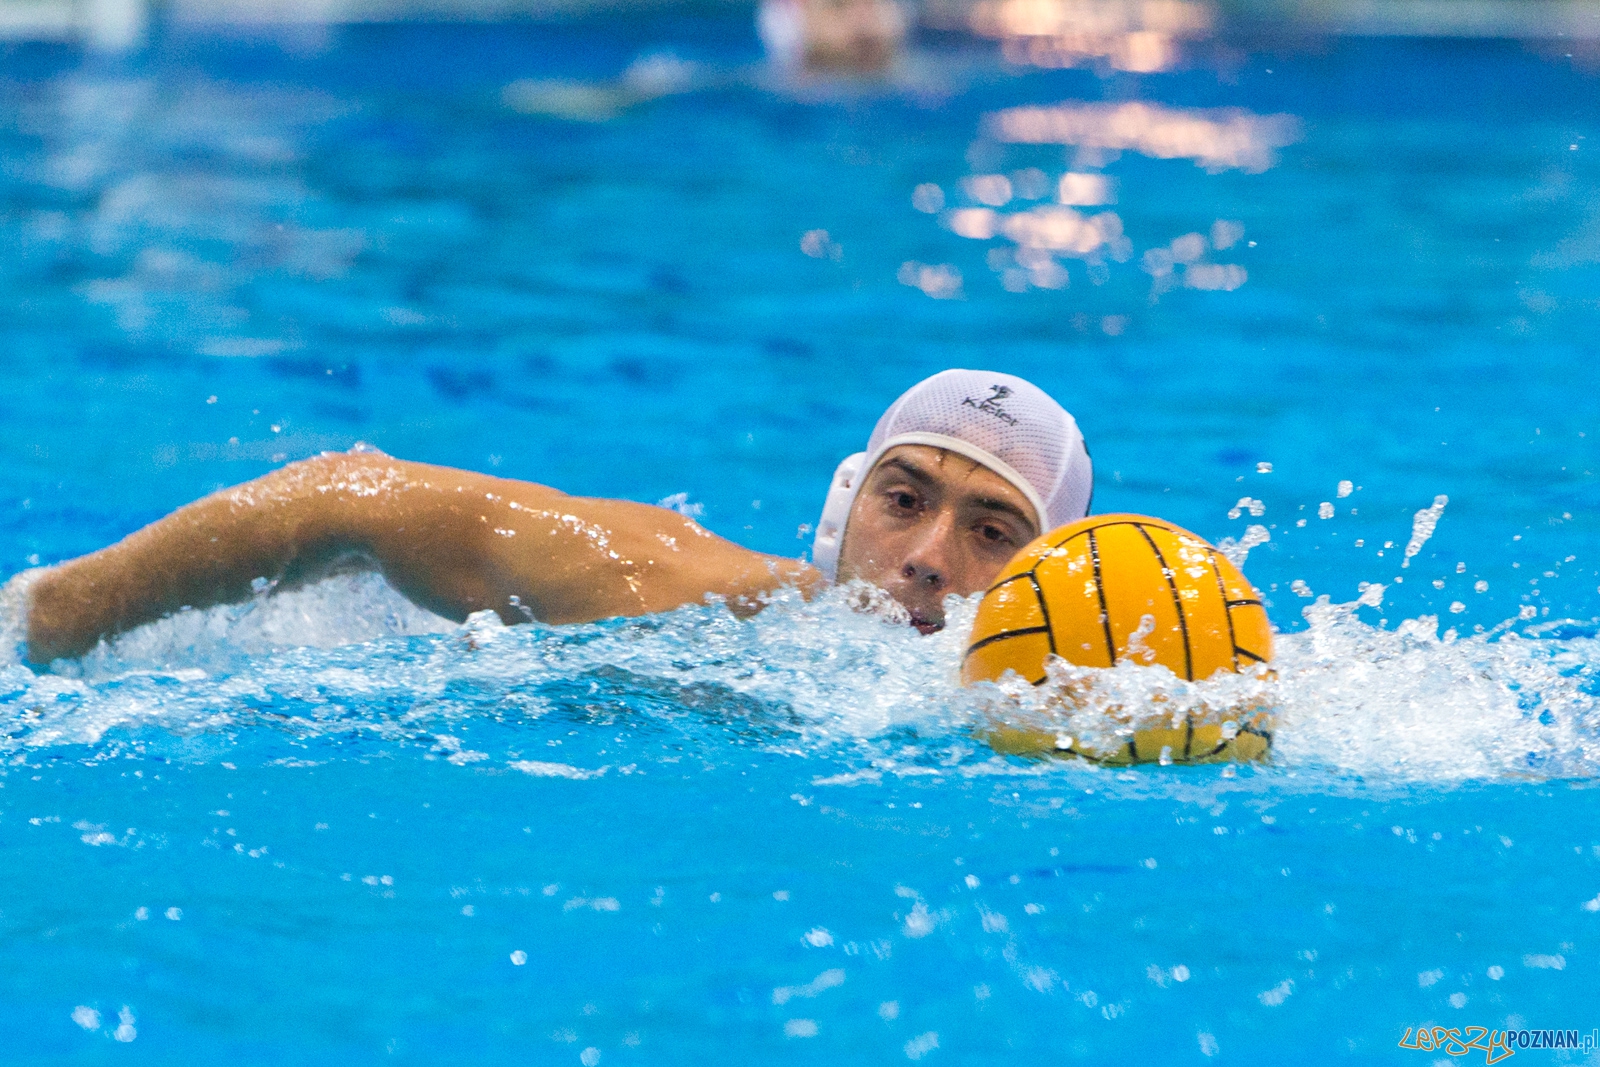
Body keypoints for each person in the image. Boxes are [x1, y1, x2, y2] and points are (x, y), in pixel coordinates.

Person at [21, 369, 1092, 665]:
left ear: (1046, 569)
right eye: (903, 500)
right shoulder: (676, 595)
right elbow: (346, 492)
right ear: (842, 508)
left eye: (990, 530)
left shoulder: (1114, 699)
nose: (926, 558)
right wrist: (48, 615)